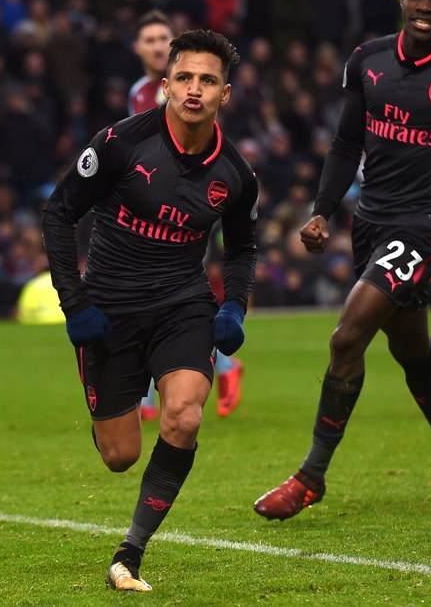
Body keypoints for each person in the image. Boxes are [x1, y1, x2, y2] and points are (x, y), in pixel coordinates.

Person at [253, 0, 431, 520]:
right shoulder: (367, 61)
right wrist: (323, 209)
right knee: (409, 347)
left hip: (427, 226)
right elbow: (346, 143)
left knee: (347, 338)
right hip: (370, 223)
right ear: (402, 0)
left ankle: (310, 477)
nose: (424, 7)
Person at [42, 30, 257, 591]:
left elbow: (241, 249)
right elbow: (58, 215)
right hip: (108, 313)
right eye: (184, 78)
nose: (194, 89)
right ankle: (104, 392)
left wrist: (232, 305)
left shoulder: (236, 174)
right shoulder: (120, 143)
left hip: (181, 307)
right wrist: (76, 305)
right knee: (119, 456)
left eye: (207, 81)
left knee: (184, 416)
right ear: (164, 86)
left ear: (224, 94)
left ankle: (129, 555)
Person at [128, 9, 245, 421]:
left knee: (181, 288)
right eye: (151, 39)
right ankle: (149, 388)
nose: (159, 45)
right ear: (138, 49)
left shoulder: (190, 87)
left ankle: (220, 365)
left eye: (164, 38)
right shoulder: (140, 93)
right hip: (155, 201)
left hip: (195, 203)